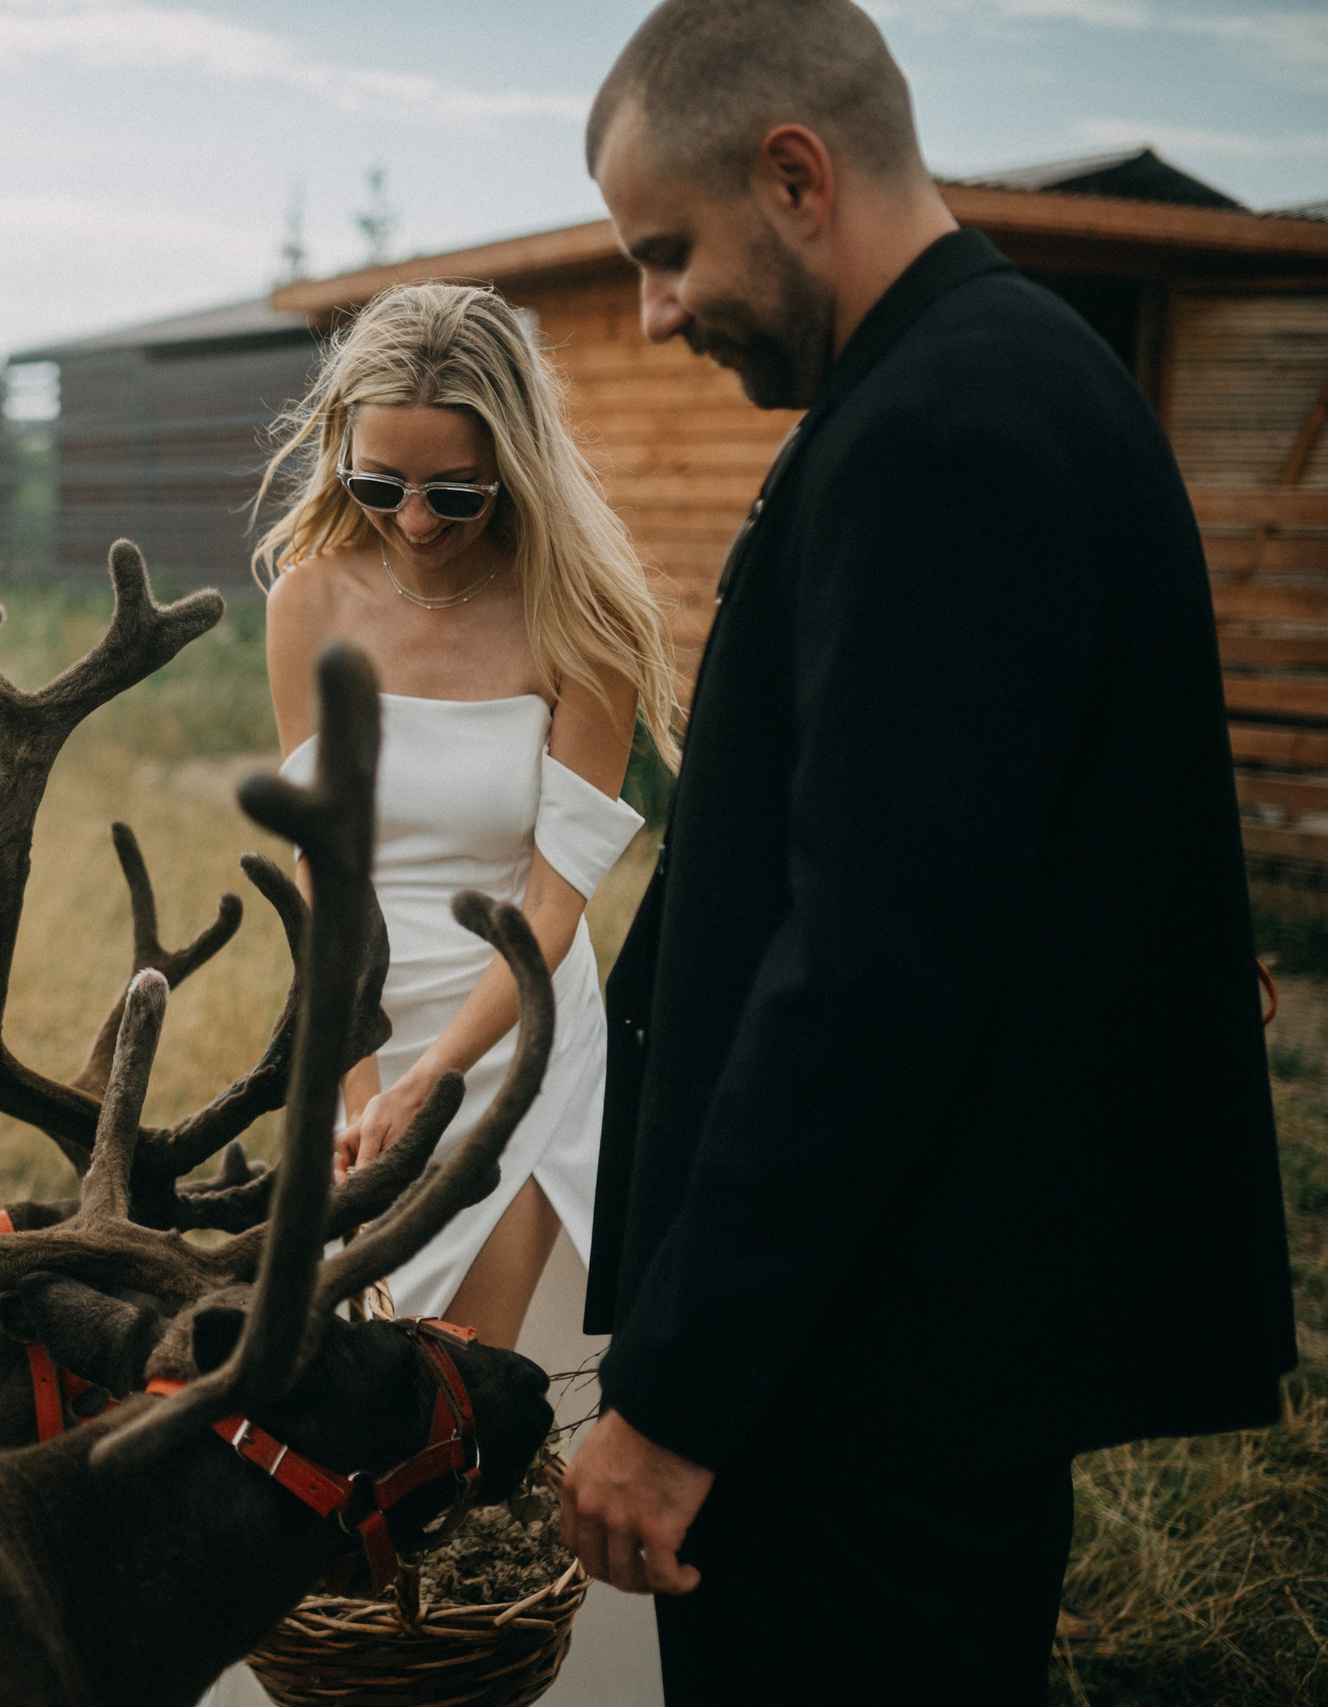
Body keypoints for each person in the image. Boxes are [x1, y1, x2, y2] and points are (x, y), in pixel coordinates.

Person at [562, 3, 1298, 1703]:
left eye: (666, 253)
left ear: (796, 175)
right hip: (908, 1342)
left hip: (865, 1375)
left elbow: (871, 974)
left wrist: (679, 1397)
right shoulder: (1004, 375)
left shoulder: (942, 433)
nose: (656, 310)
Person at [255, 281, 680, 1347]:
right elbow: (324, 877)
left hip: (517, 1045)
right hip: (357, 1037)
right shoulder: (308, 601)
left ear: (513, 467)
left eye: (454, 495)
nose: (411, 522)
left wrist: (429, 1083)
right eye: (378, 484)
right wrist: (360, 1092)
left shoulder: (581, 623)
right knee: (347, 1380)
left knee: (460, 1387)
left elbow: (553, 906)